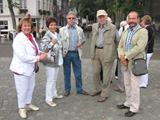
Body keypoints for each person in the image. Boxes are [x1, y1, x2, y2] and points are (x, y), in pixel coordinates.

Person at [10, 16, 47, 119]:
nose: (27, 27)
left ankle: (27, 103)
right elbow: (22, 57)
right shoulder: (18, 39)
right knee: (22, 89)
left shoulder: (31, 36)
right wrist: (38, 58)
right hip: (21, 69)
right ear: (20, 27)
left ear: (31, 27)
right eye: (24, 26)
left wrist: (40, 52)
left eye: (29, 26)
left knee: (30, 87)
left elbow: (34, 49)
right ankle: (21, 107)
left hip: (30, 68)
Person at [117, 11, 148, 117]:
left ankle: (134, 107)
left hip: (135, 63)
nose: (131, 21)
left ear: (138, 19)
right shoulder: (126, 31)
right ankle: (128, 102)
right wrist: (121, 57)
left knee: (135, 86)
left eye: (133, 18)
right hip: (125, 63)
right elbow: (120, 46)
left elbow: (139, 47)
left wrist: (125, 56)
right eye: (129, 18)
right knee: (127, 84)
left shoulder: (143, 32)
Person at [90, 9, 119, 102]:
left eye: (103, 16)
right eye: (100, 17)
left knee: (106, 75)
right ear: (97, 18)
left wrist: (114, 52)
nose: (102, 18)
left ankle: (104, 94)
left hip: (107, 52)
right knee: (95, 72)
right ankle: (97, 88)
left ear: (106, 17)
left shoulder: (113, 27)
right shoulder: (94, 26)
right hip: (96, 51)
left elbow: (117, 41)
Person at [59, 11, 89, 96]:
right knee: (66, 73)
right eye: (69, 18)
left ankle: (79, 89)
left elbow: (83, 39)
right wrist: (62, 51)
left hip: (76, 53)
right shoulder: (62, 30)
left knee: (78, 73)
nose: (71, 20)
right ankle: (67, 89)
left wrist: (81, 43)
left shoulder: (79, 30)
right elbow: (59, 42)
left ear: (75, 19)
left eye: (73, 18)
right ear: (67, 19)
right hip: (66, 54)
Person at [40, 17, 63, 107]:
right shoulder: (46, 36)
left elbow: (60, 44)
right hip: (49, 61)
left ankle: (54, 93)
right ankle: (48, 99)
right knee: (50, 80)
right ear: (48, 26)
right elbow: (43, 48)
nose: (53, 26)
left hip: (57, 60)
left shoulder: (57, 34)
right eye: (51, 25)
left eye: (54, 24)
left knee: (54, 79)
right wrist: (51, 43)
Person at [114, 19, 129, 93]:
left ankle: (123, 87)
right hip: (123, 53)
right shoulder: (122, 28)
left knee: (123, 71)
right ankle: (123, 86)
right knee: (122, 70)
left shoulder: (122, 28)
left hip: (127, 53)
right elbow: (118, 41)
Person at [140, 15, 155, 88]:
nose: (141, 22)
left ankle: (143, 82)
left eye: (142, 21)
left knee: (144, 66)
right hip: (150, 50)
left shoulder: (146, 29)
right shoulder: (151, 28)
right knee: (145, 66)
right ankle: (144, 81)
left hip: (147, 50)